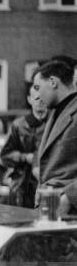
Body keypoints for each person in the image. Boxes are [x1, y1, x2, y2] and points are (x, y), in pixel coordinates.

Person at [32, 60, 77, 214]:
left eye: (38, 87)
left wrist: (70, 197)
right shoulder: (56, 112)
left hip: (69, 211)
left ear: (52, 82)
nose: (37, 96)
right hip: (51, 209)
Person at [0, 84, 48, 208]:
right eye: (37, 98)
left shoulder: (54, 124)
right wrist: (25, 157)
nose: (41, 102)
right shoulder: (19, 125)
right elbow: (5, 155)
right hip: (22, 185)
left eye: (43, 98)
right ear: (29, 99)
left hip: (47, 184)